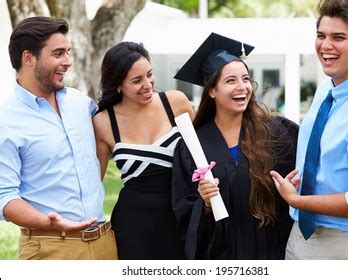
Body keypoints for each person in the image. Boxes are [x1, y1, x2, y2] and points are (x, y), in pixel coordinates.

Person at [270, 0, 348, 260]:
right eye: (321, 36)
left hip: (344, 246)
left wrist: (298, 200)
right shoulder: (329, 87)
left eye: (338, 37)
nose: (325, 46)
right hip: (303, 233)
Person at [172, 33, 298, 259]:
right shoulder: (192, 147)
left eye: (246, 79)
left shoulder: (277, 132)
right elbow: (183, 211)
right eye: (231, 81)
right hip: (224, 259)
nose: (242, 87)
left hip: (274, 254)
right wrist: (206, 204)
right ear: (211, 90)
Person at [0, 16, 117, 260]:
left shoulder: (81, 103)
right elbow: (4, 196)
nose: (68, 62)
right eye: (58, 54)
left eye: (68, 53)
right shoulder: (6, 121)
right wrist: (47, 221)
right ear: (28, 58)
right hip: (51, 247)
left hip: (106, 243)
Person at [93, 41, 194, 259]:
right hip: (133, 224)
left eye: (149, 74)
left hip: (181, 214)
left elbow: (204, 153)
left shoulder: (176, 102)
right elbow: (94, 182)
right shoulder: (103, 122)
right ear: (118, 84)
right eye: (137, 80)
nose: (148, 84)